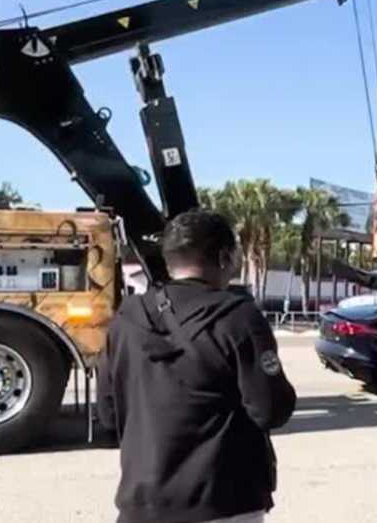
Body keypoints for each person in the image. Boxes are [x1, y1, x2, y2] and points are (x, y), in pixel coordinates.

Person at [98, 210, 296, 523]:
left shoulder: (126, 319)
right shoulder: (238, 316)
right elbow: (271, 409)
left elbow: (109, 416)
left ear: (169, 260)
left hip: (143, 504)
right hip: (223, 501)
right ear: (224, 257)